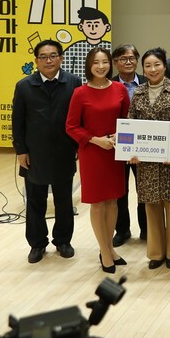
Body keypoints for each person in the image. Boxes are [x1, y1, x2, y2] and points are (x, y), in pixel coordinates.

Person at [12, 39, 78, 264]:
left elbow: (78, 117)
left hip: (64, 150)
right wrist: (21, 150)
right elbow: (18, 121)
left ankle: (63, 241)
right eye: (43, 57)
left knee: (64, 200)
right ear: (36, 60)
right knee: (35, 201)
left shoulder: (73, 82)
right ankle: (37, 243)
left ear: (61, 58)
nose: (48, 61)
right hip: (35, 153)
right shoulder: (24, 86)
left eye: (53, 56)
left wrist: (78, 145)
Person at [66, 48, 130, 273]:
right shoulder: (80, 93)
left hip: (114, 151)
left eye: (105, 62)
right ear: (89, 65)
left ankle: (109, 248)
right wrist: (95, 140)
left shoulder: (120, 89)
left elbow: (126, 119)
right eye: (96, 62)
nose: (101, 66)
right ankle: (104, 250)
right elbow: (71, 126)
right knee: (97, 203)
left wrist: (118, 136)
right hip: (92, 152)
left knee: (113, 201)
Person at [129, 46, 170, 269]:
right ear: (143, 69)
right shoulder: (138, 92)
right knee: (151, 205)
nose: (153, 69)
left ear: (165, 66)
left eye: (157, 64)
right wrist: (130, 151)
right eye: (148, 65)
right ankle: (156, 253)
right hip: (146, 162)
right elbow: (131, 124)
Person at [111, 43, 145, 245]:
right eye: (123, 59)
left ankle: (147, 230)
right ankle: (122, 230)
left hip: (144, 145)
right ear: (115, 63)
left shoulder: (148, 82)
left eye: (132, 58)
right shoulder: (109, 85)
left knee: (145, 188)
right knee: (120, 190)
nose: (128, 62)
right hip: (118, 145)